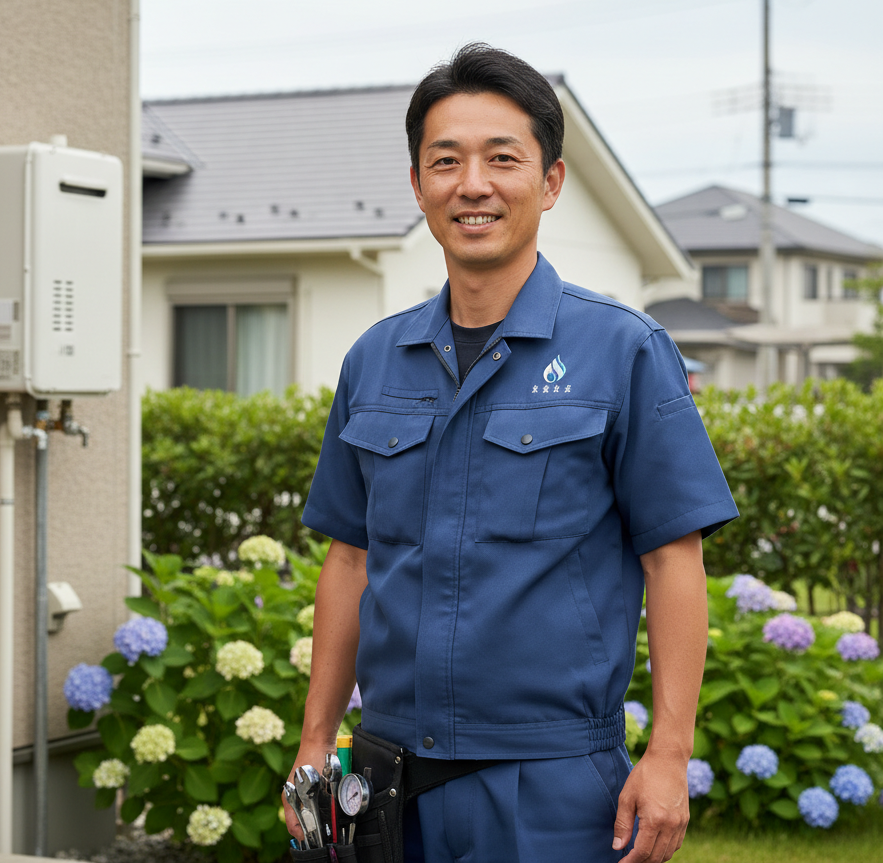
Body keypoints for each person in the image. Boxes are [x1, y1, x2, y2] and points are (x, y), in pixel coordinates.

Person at [286, 43, 737, 862]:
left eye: (503, 159)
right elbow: (349, 559)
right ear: (419, 184)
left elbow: (675, 560)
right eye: (446, 160)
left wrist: (669, 754)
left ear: (551, 182)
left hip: (554, 781)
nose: (474, 184)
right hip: (389, 778)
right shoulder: (374, 361)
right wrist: (317, 740)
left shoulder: (623, 350)